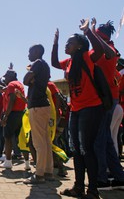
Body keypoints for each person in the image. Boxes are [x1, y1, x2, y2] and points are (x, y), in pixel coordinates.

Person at [51, 19, 105, 198]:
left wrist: (87, 31)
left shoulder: (87, 57)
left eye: (70, 42)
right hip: (75, 109)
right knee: (76, 150)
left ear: (80, 46)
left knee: (86, 149)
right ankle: (78, 187)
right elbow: (54, 63)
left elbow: (100, 50)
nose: (67, 45)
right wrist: (56, 42)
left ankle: (93, 190)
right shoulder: (69, 61)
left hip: (91, 108)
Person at [90, 18, 124, 190]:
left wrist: (93, 30)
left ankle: (102, 180)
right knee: (109, 141)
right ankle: (119, 177)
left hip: (106, 101)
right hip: (110, 100)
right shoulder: (109, 48)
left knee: (100, 141)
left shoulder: (108, 50)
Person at [22, 44, 53, 184]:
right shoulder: (44, 65)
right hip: (44, 107)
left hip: (37, 107)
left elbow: (25, 80)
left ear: (37, 52)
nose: (28, 54)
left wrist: (31, 79)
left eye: (30, 51)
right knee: (46, 142)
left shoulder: (38, 63)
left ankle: (39, 174)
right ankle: (48, 172)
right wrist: (31, 80)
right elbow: (29, 81)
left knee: (38, 143)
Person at [0, 69, 26, 169]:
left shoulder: (11, 85)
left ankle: (8, 161)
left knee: (8, 137)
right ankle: (26, 163)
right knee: (20, 138)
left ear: (11, 76)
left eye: (6, 76)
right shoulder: (19, 84)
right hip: (20, 113)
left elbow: (12, 100)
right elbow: (1, 89)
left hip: (12, 114)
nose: (5, 78)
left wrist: (5, 116)